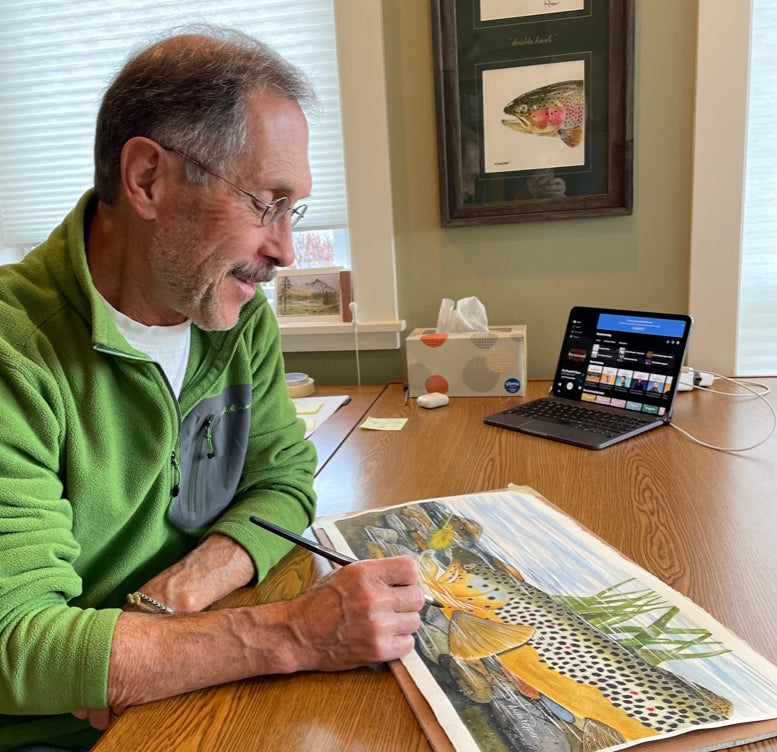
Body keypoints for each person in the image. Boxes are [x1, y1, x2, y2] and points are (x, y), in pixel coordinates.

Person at [0, 27, 425, 752]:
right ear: (147, 181)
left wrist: (176, 598)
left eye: (296, 211)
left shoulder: (235, 320)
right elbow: (21, 649)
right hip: (70, 731)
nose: (286, 252)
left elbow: (284, 479)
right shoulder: (18, 353)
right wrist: (291, 633)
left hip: (184, 676)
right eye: (267, 202)